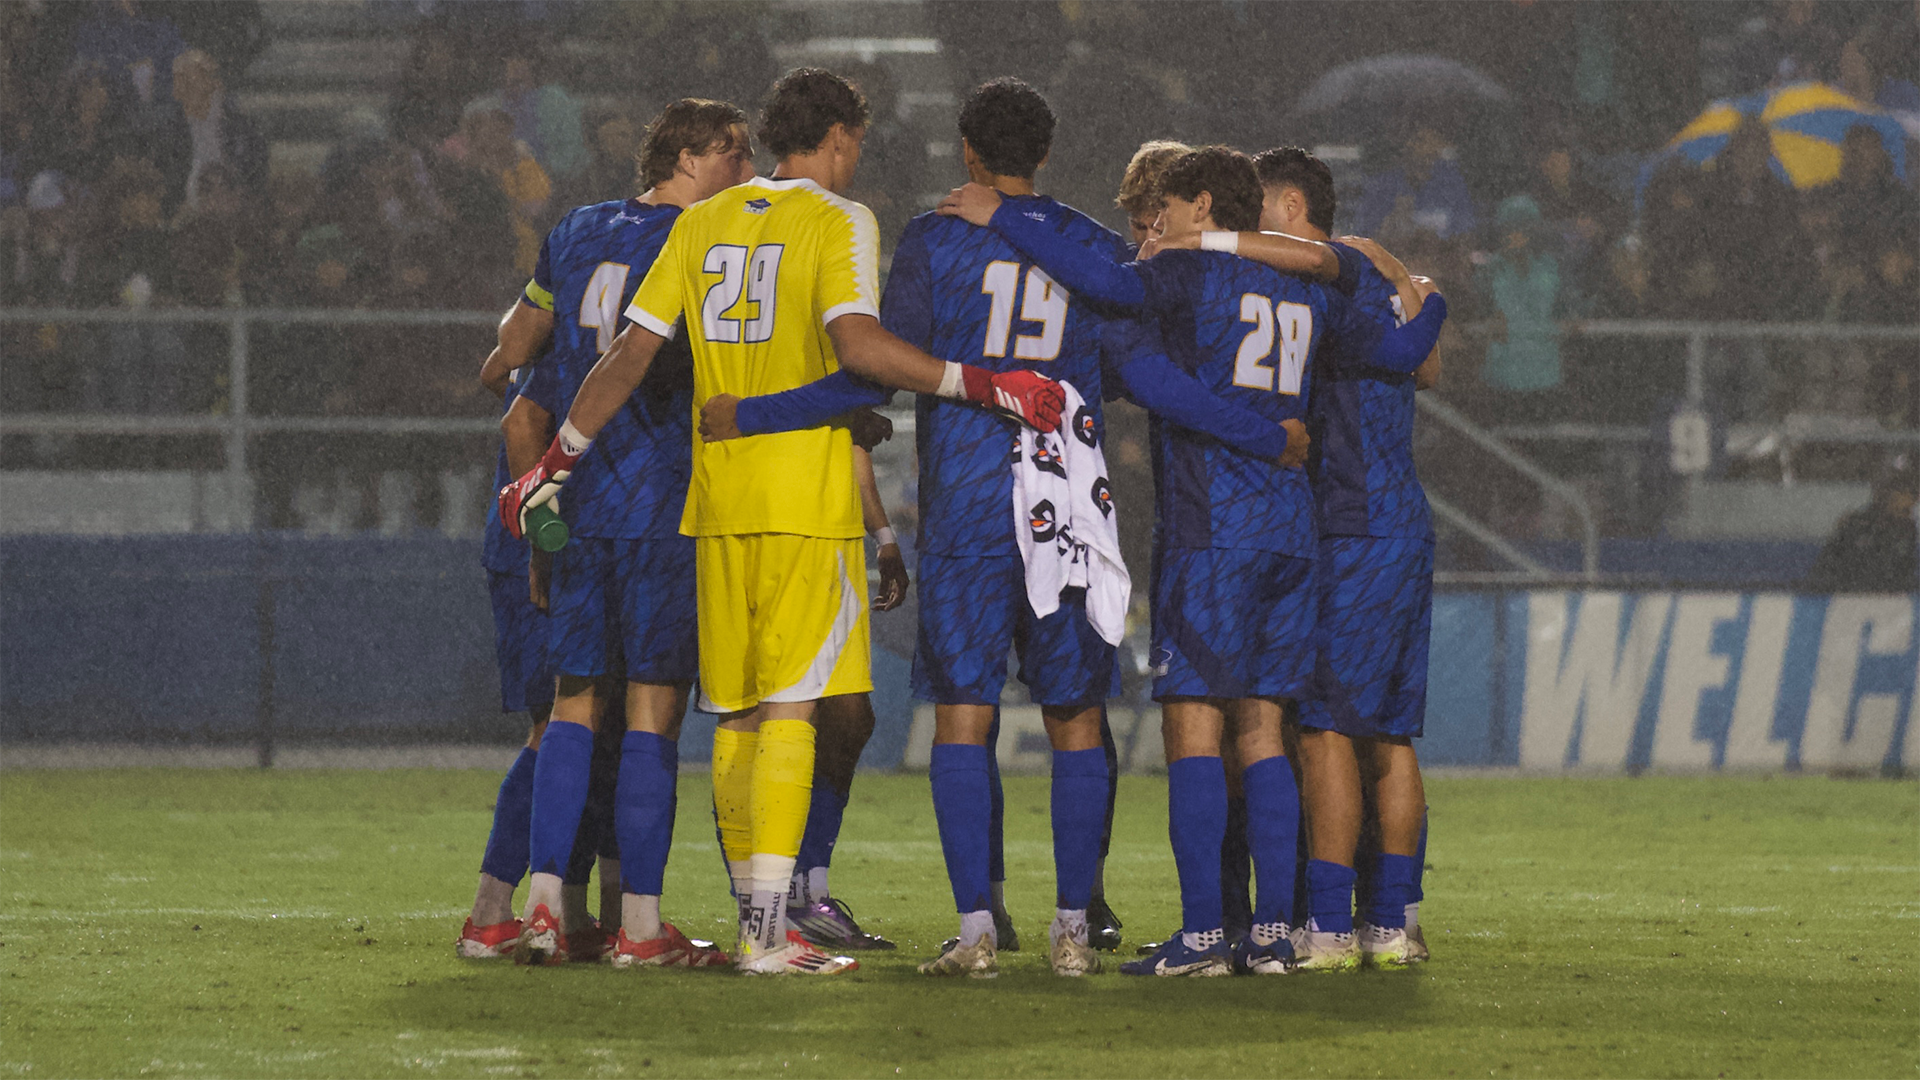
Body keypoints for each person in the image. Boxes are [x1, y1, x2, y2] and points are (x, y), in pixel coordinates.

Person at [500, 66, 1068, 975]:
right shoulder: (838, 220)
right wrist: (984, 382)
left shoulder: (701, 221)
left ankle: (745, 922)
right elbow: (861, 350)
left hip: (715, 504)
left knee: (733, 715)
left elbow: (627, 354)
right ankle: (768, 936)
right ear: (840, 138)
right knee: (794, 710)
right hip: (804, 503)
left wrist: (560, 454)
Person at [940, 145, 1447, 976]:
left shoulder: (1182, 276)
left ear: (1202, 206)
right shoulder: (1314, 285)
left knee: (1195, 730)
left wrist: (1001, 218)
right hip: (1293, 527)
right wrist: (1432, 296)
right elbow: (1400, 353)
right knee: (1267, 732)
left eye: (1164, 215)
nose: (1151, 233)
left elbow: (1107, 290)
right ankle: (1282, 935)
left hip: (1213, 527)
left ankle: (1205, 938)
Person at [482, 97, 758, 969]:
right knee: (651, 713)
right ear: (684, 156)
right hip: (660, 504)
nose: (746, 174)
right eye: (732, 155)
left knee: (570, 706)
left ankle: (541, 912)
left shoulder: (576, 229)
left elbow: (512, 357)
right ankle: (640, 927)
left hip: (574, 506)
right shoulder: (705, 243)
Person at [1198, 147, 1440, 969]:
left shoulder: (1331, 273)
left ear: (1292, 204)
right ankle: (1395, 921)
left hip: (1354, 525)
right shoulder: (1370, 277)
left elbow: (1317, 260)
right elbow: (1429, 360)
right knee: (1392, 736)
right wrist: (1407, 273)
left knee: (1326, 729)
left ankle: (1331, 928)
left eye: (1257, 208)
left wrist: (1206, 243)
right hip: (1402, 522)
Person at [1805, 459, 1920, 594]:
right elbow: (1825, 570)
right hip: (1851, 598)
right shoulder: (1856, 524)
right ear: (1889, 495)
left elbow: (1902, 574)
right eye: (1907, 493)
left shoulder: (1907, 529)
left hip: (1890, 601)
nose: (1913, 501)